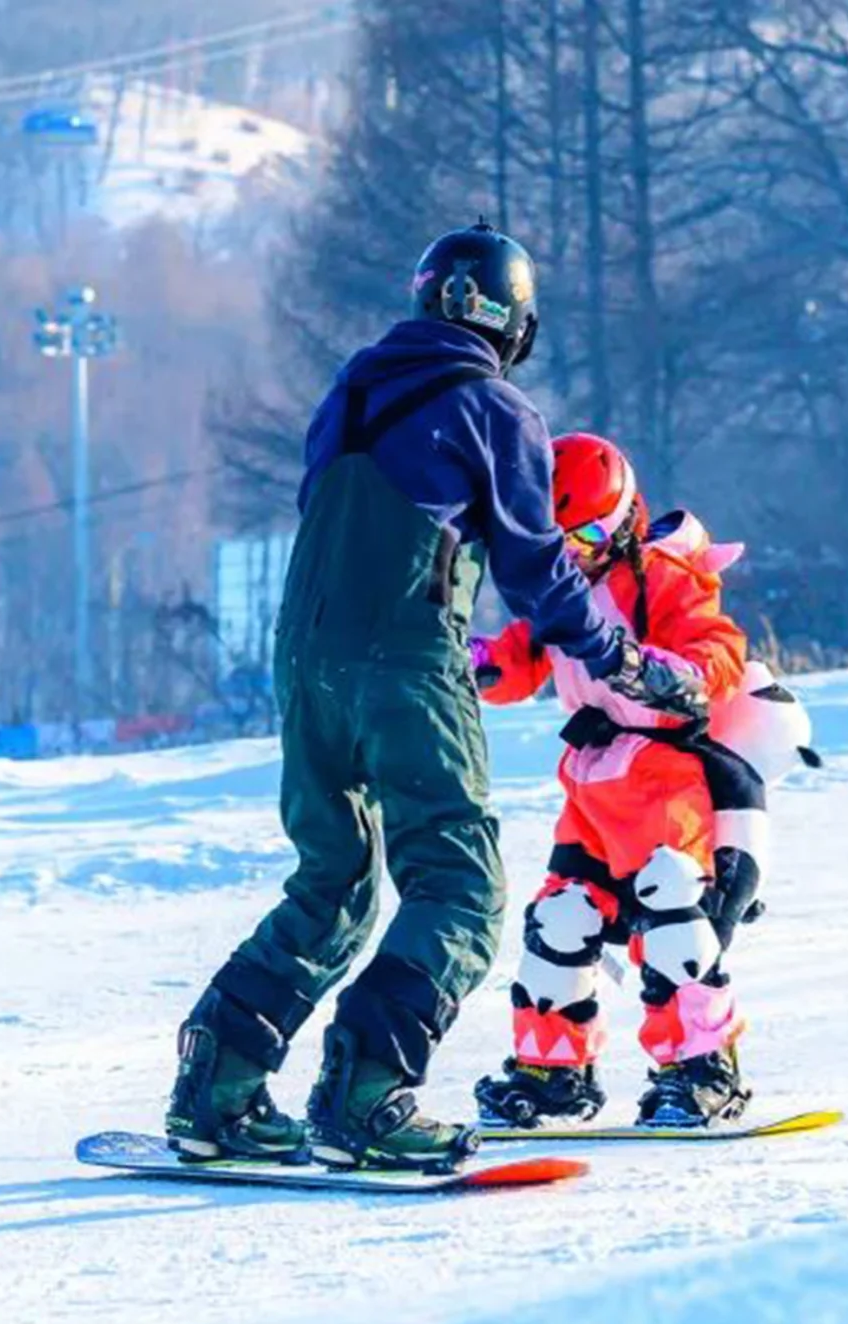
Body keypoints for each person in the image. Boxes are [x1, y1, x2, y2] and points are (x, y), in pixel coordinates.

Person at [165, 224, 677, 1170]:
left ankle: (219, 1087)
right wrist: (620, 657)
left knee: (336, 879)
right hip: (405, 657)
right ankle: (366, 1095)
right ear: (511, 319)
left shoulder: (349, 392)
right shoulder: (496, 408)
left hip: (303, 656)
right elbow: (536, 570)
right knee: (462, 889)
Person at [472, 432, 818, 1129]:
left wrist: (665, 673)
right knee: (560, 917)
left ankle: (701, 1071)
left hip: (666, 773)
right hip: (592, 788)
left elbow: (717, 647)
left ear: (628, 516)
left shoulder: (663, 574)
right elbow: (520, 660)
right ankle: (551, 1072)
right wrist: (471, 661)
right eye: (566, 538)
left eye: (595, 531)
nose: (583, 549)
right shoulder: (559, 588)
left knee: (672, 912)